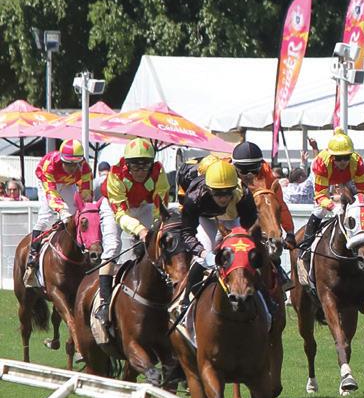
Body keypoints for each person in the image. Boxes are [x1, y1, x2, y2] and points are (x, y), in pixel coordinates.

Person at [96, 137, 169, 328]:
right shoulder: (116, 174)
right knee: (113, 247)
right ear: (127, 164)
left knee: (152, 245)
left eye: (145, 165)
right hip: (115, 208)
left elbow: (160, 207)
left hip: (143, 205)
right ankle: (104, 302)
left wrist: (154, 228)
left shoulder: (159, 172)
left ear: (152, 164)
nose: (140, 171)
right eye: (135, 166)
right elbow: (120, 214)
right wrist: (140, 229)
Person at [180, 158, 260, 305]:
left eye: (227, 192)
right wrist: (203, 253)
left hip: (233, 217)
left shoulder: (243, 195)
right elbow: (186, 233)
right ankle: (186, 301)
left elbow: (250, 226)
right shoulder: (193, 197)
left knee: (245, 253)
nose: (223, 198)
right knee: (203, 258)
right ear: (208, 189)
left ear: (234, 188)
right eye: (217, 193)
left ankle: (267, 300)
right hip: (206, 217)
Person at [24, 139, 93, 288]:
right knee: (46, 217)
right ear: (61, 159)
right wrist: (62, 210)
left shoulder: (85, 167)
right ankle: (32, 257)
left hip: (68, 184)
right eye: (68, 164)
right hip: (48, 183)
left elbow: (86, 191)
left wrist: (83, 207)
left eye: (75, 164)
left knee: (75, 214)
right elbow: (51, 193)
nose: (72, 168)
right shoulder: (50, 165)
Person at [298, 128, 364, 272]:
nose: (343, 162)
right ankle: (304, 248)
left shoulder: (358, 162)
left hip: (347, 179)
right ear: (331, 157)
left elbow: (363, 193)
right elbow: (320, 196)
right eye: (338, 158)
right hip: (326, 177)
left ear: (351, 155)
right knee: (320, 210)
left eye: (346, 157)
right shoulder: (321, 163)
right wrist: (334, 207)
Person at [231, 141, 296, 247]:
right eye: (244, 171)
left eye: (254, 170)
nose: (249, 175)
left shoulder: (269, 178)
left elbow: (280, 205)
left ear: (260, 166)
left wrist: (290, 232)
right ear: (234, 167)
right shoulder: (226, 173)